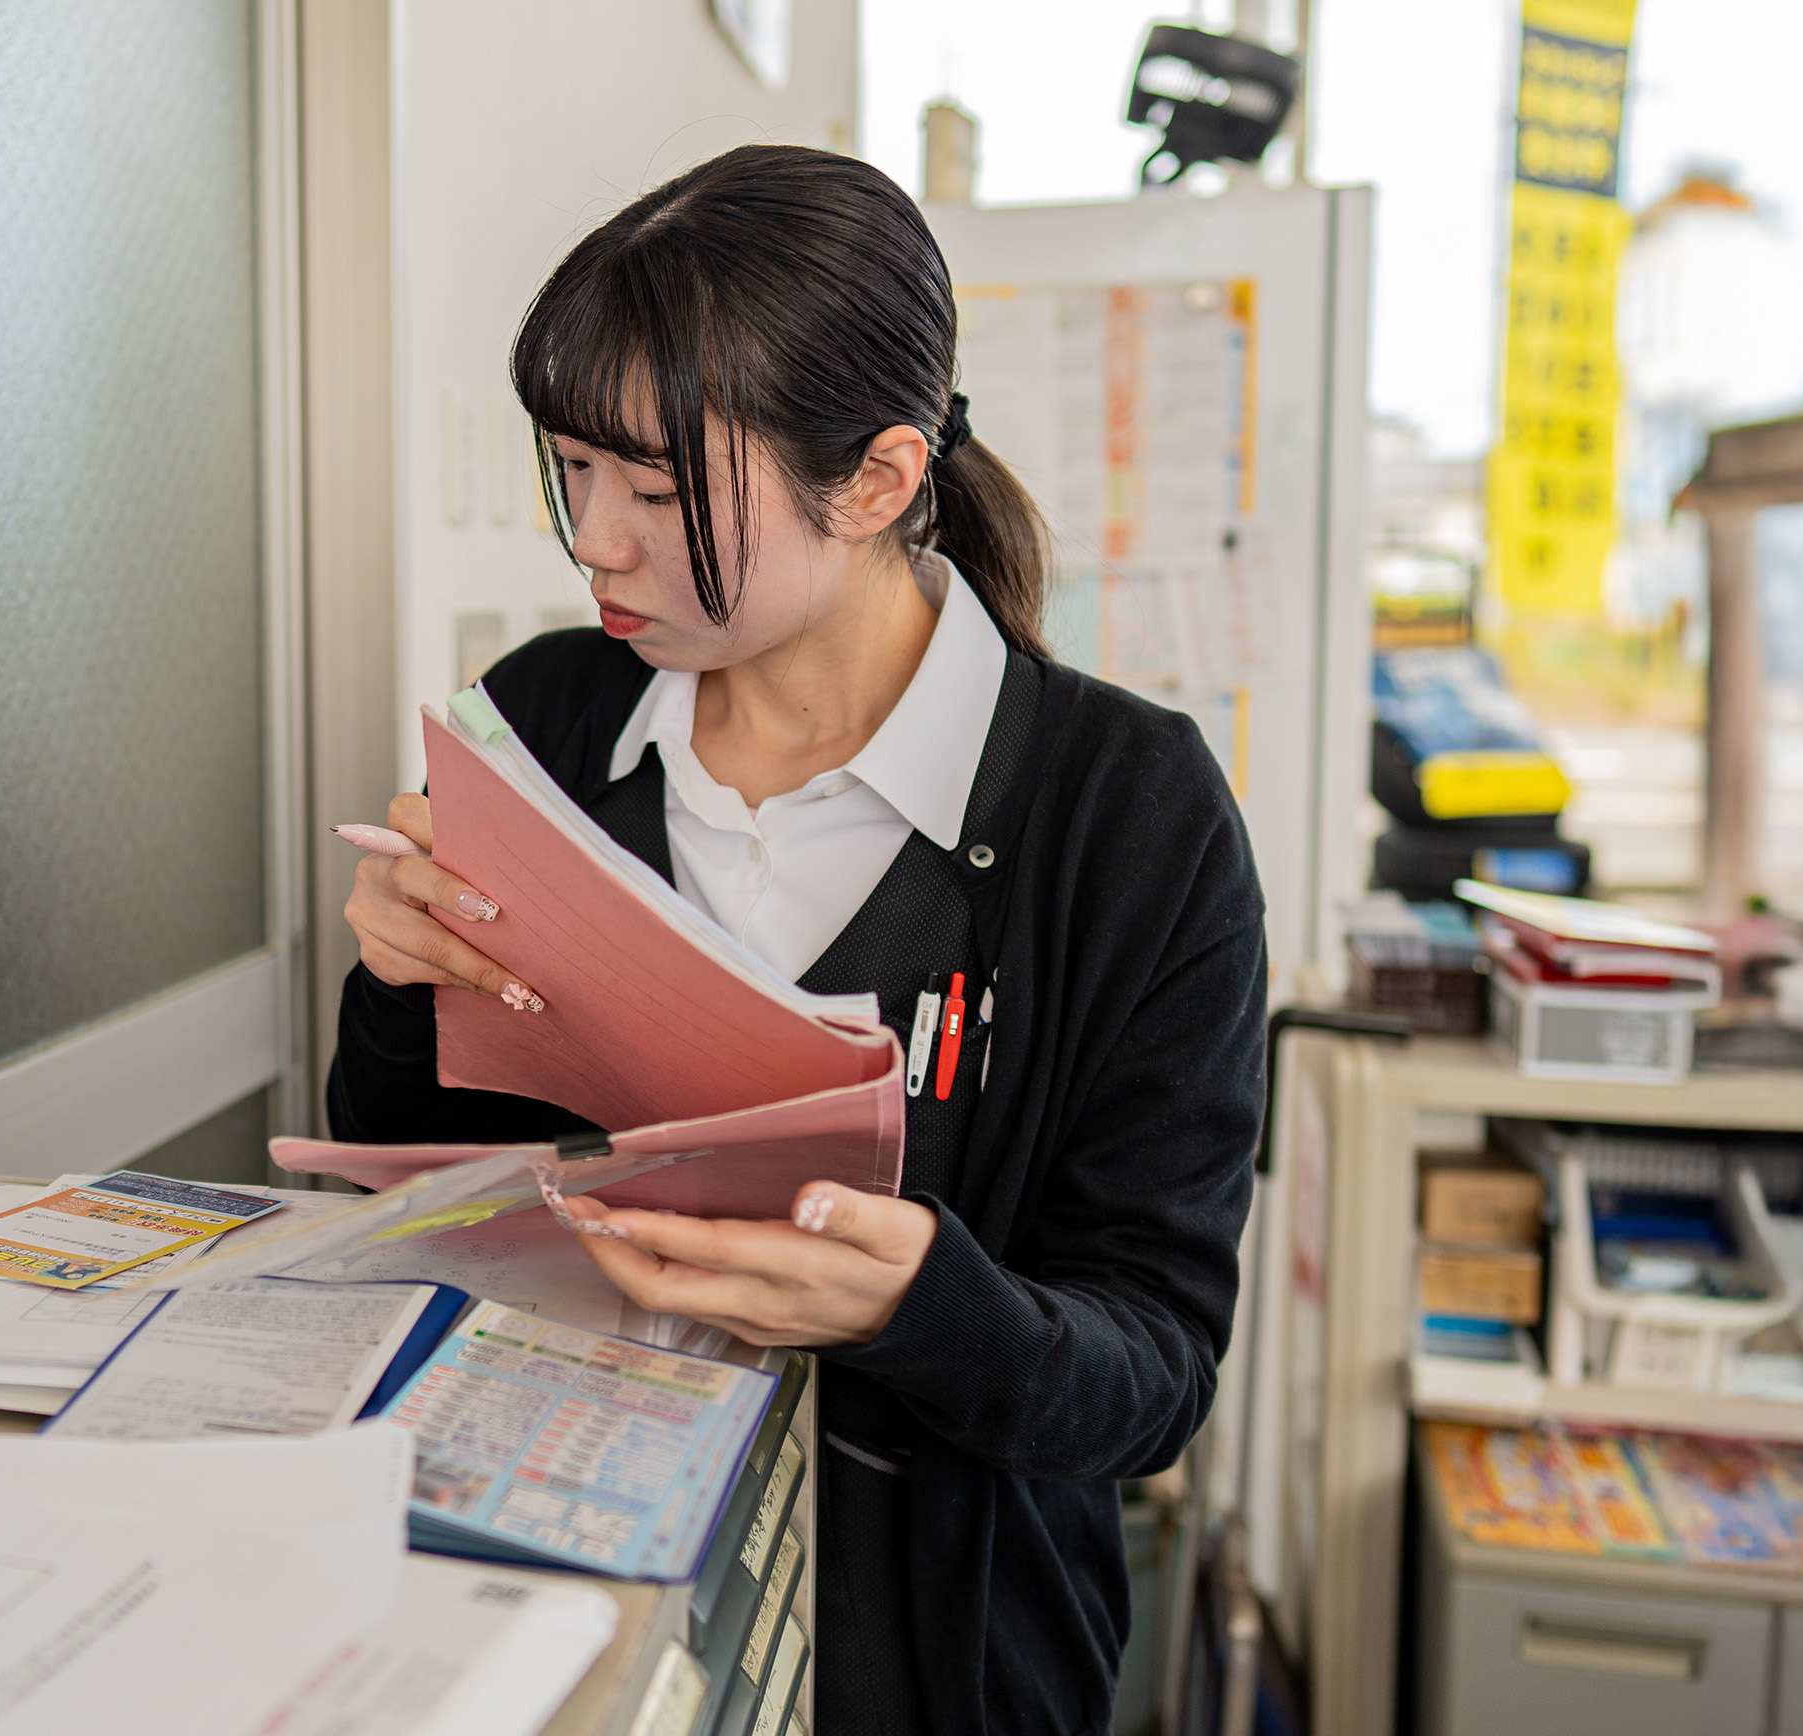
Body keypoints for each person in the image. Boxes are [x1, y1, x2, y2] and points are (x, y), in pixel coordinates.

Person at [330, 143, 1265, 1736]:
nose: (596, 539)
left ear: (882, 480)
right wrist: (398, 981)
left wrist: (923, 1303)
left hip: (937, 1669)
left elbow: (1152, 1373)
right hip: (549, 1608)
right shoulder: (548, 721)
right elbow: (408, 1165)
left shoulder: (1130, 815)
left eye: (658, 492)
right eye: (573, 470)